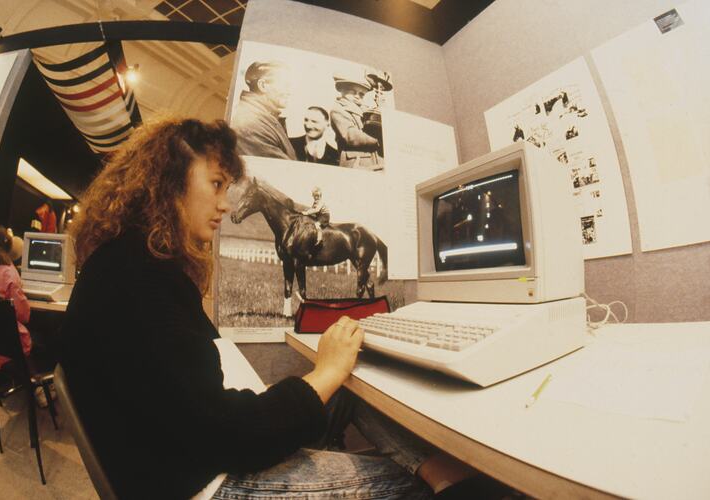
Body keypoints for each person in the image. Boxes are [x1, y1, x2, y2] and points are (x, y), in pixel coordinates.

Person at [58, 117, 492, 500]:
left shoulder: (129, 265)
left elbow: (196, 404)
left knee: (344, 386)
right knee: (402, 476)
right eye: (215, 185)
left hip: (192, 451)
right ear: (168, 180)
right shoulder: (138, 279)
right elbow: (231, 436)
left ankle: (437, 472)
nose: (225, 205)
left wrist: (324, 377)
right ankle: (446, 481)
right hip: (212, 482)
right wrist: (323, 373)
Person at [0, 225, 56, 403]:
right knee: (47, 330)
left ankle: (27, 380)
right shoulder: (7, 271)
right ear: (8, 248)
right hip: (5, 348)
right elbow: (24, 315)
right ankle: (39, 387)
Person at [230, 61, 297, 160]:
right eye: (285, 85)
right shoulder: (251, 125)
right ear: (263, 85)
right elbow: (285, 171)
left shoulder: (264, 117)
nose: (290, 92)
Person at [330, 73, 382, 170]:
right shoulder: (338, 109)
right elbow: (351, 136)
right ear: (342, 91)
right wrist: (378, 140)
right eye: (352, 92)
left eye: (361, 94)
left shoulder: (367, 111)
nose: (357, 96)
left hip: (376, 159)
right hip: (355, 161)